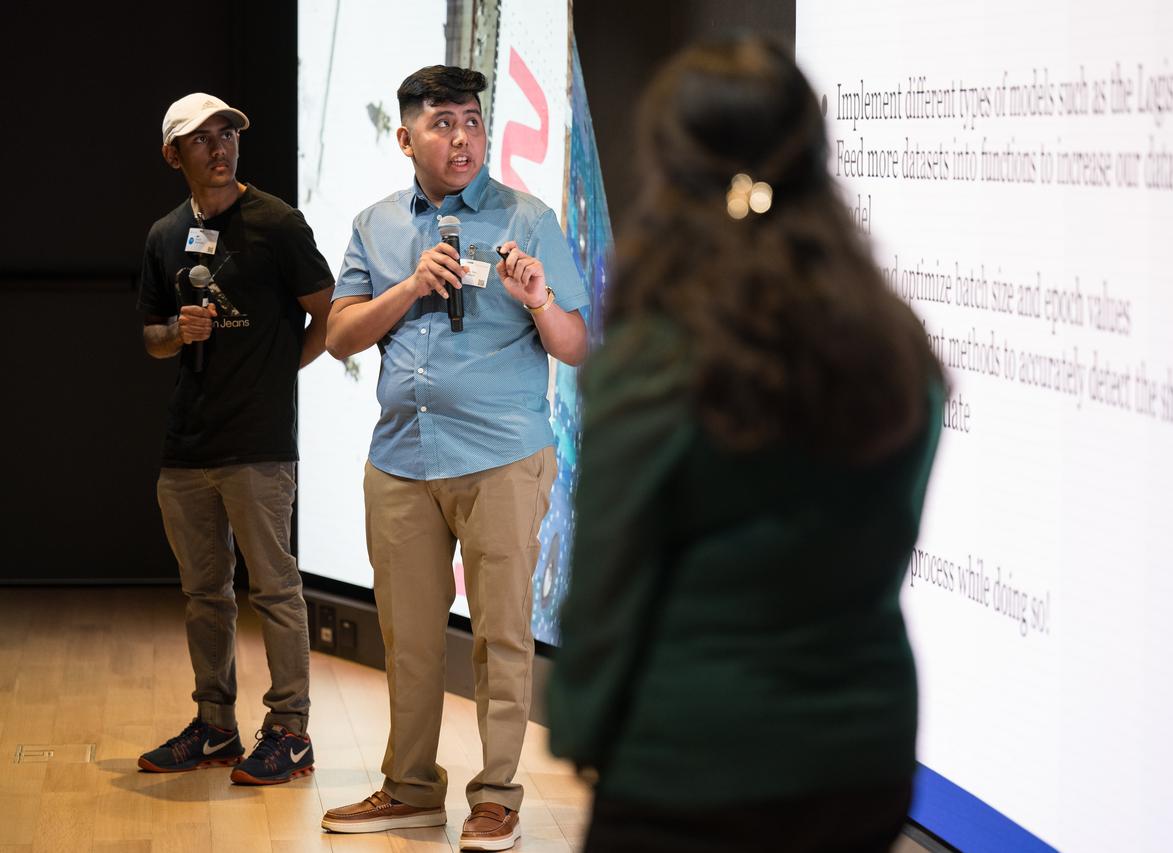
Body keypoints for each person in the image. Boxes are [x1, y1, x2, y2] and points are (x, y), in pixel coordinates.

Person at [546, 35, 946, 853]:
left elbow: (607, 587)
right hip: (862, 760)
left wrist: (580, 731)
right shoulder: (895, 346)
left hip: (690, 770)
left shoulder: (656, 359)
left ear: (669, 170)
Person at [319, 66, 588, 850]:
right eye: (441, 124)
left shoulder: (527, 218)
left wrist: (538, 297)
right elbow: (339, 336)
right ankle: (409, 788)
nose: (461, 137)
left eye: (471, 120)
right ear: (406, 138)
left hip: (503, 458)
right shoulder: (375, 225)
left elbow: (576, 345)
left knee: (502, 633)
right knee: (408, 635)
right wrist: (408, 289)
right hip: (402, 458)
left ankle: (497, 796)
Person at [136, 93, 334, 785]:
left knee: (275, 591)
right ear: (175, 155)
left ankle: (290, 730)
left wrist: (279, 369)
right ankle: (215, 725)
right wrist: (175, 334)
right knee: (205, 594)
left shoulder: (277, 223)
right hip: (187, 446)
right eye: (202, 140)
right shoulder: (165, 234)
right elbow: (151, 335)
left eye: (228, 135)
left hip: (259, 442)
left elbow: (328, 313)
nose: (220, 148)